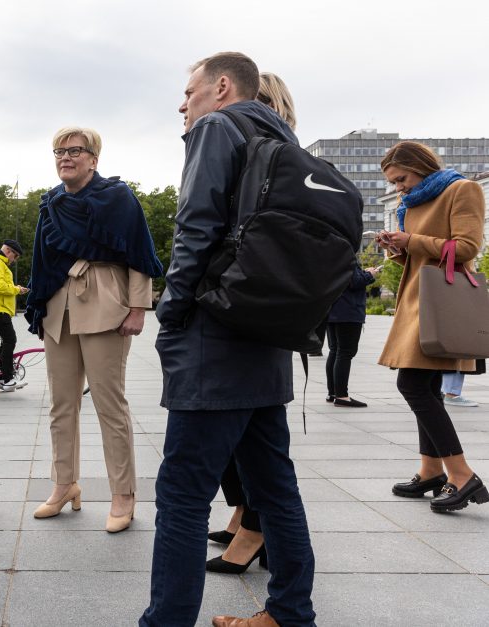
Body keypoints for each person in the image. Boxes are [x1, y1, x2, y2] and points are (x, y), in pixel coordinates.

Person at [143, 53, 315, 627]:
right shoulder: (285, 139)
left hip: (214, 339)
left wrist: (171, 309)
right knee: (275, 487)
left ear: (220, 87)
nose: (182, 103)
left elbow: (196, 226)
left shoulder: (219, 126)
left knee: (184, 495)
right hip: (266, 336)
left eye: (188, 91)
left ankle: (165, 621)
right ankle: (290, 613)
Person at [25, 127, 163, 534]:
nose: (65, 157)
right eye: (59, 151)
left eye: (75, 151)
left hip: (106, 304)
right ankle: (64, 485)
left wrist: (139, 306)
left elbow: (140, 252)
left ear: (93, 158)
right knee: (61, 406)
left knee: (110, 405)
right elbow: (41, 261)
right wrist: (40, 305)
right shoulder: (51, 203)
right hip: (59, 308)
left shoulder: (117, 198)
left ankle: (124, 495)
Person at [206, 71, 299, 578]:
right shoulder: (268, 145)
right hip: (265, 301)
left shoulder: (258, 144)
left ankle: (255, 527)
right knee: (250, 431)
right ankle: (245, 513)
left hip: (251, 302)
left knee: (256, 434)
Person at [377, 140, 488, 513]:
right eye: (393, 183)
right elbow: (420, 251)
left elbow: (468, 247)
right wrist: (398, 246)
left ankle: (461, 474)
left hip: (440, 301)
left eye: (401, 179)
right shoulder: (411, 203)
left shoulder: (461, 189)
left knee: (411, 383)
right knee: (424, 384)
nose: (398, 188)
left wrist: (413, 240)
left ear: (420, 166)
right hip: (417, 298)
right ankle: (431, 471)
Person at [325, 263, 379, 408]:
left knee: (335, 350)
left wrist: (362, 272)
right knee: (345, 353)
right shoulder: (347, 252)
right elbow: (355, 282)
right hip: (348, 310)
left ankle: (333, 393)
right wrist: (370, 275)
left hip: (332, 309)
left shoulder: (330, 252)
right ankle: (342, 395)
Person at [0, 238, 30, 392]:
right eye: (16, 255)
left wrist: (16, 288)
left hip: (1, 309)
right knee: (10, 340)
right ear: (8, 251)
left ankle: (0, 372)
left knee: (6, 341)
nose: (16, 259)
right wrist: (16, 290)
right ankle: (7, 379)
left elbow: (1, 285)